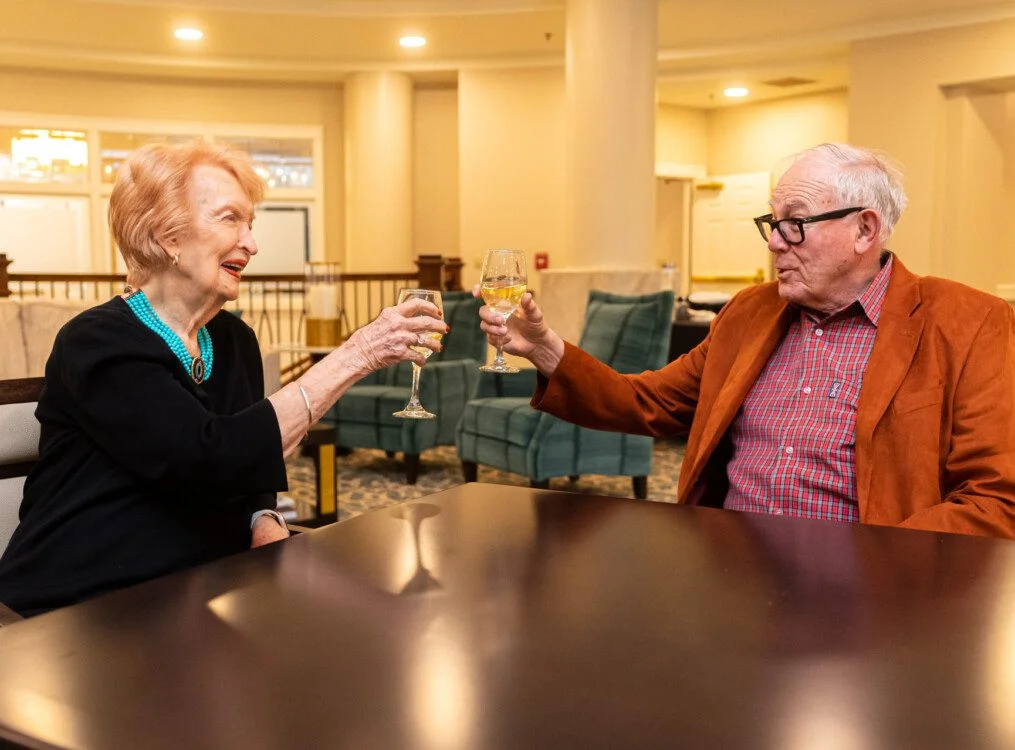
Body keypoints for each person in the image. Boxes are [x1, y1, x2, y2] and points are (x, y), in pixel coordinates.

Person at [0, 140, 448, 616]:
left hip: (195, 593)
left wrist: (263, 513)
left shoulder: (234, 340)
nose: (251, 244)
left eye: (250, 224)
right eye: (230, 218)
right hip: (76, 609)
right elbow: (208, 458)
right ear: (167, 237)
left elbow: (249, 464)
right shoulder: (96, 343)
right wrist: (359, 353)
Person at [478, 143, 1015, 538]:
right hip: (728, 575)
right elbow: (648, 402)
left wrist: (874, 565)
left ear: (865, 230)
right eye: (772, 223)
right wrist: (545, 349)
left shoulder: (970, 323)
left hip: (872, 594)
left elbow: (995, 499)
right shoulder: (749, 313)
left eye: (795, 224)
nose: (775, 243)